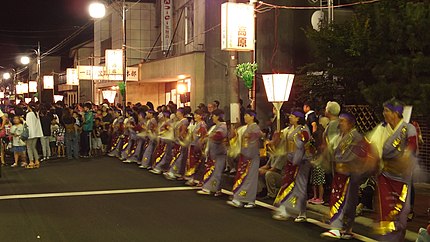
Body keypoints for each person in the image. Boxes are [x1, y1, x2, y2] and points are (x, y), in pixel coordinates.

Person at [368, 98, 418, 241]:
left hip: (402, 178)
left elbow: (412, 144)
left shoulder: (408, 128)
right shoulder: (382, 129)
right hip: (385, 176)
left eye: (387, 111)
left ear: (396, 113)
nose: (384, 114)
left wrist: (407, 155)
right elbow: (372, 148)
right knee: (386, 211)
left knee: (401, 214)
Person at [320, 113, 373, 239]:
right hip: (340, 174)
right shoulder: (341, 136)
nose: (340, 123)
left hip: (349, 174)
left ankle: (343, 227)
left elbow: (361, 156)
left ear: (350, 124)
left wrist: (355, 168)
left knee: (347, 201)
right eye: (340, 121)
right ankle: (341, 227)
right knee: (338, 199)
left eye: (343, 121)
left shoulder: (357, 137)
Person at [272, 111, 312, 222]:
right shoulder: (290, 129)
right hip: (291, 161)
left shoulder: (303, 130)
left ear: (298, 118)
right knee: (287, 184)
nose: (290, 117)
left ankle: (301, 212)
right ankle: (284, 208)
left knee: (300, 186)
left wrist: (296, 161)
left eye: (292, 116)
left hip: (301, 163)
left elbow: (302, 147)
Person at [227, 110, 262, 208]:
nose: (245, 117)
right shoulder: (245, 128)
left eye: (247, 115)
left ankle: (249, 199)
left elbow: (255, 140)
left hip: (251, 156)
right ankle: (239, 197)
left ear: (252, 117)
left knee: (250, 178)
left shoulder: (255, 127)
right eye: (245, 115)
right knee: (242, 177)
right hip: (245, 155)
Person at [197, 109, 227, 196]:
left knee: (217, 171)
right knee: (212, 170)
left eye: (213, 116)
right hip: (213, 152)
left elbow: (219, 136)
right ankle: (211, 187)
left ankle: (214, 188)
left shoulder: (222, 126)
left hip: (219, 152)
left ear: (218, 117)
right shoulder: (214, 126)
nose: (212, 118)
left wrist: (209, 136)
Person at [164, 108, 190, 180]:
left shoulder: (184, 121)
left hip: (181, 141)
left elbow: (183, 130)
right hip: (177, 140)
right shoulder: (179, 121)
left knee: (180, 156)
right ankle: (176, 171)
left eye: (178, 113)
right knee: (177, 155)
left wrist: (179, 137)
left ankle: (174, 171)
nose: (176, 115)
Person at [185, 109, 207, 186]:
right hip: (193, 144)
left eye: (197, 115)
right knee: (192, 162)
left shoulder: (202, 125)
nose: (195, 116)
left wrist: (200, 145)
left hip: (197, 146)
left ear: (201, 116)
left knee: (199, 163)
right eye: (195, 115)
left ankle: (199, 180)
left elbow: (203, 136)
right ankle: (193, 178)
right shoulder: (196, 124)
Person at [25, 103, 43, 169]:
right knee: (33, 147)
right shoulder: (36, 114)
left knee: (29, 148)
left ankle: (31, 162)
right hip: (36, 133)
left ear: (29, 107)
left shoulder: (29, 114)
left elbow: (27, 124)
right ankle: (37, 161)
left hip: (30, 134)